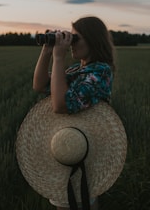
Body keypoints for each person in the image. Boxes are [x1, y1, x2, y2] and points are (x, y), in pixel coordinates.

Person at [33, 16, 115, 210]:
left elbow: (61, 106)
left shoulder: (100, 72)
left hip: (85, 151)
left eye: (76, 37)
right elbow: (39, 85)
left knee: (80, 199)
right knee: (66, 199)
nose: (71, 42)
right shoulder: (77, 70)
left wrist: (59, 58)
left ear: (93, 40)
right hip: (68, 146)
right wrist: (47, 51)